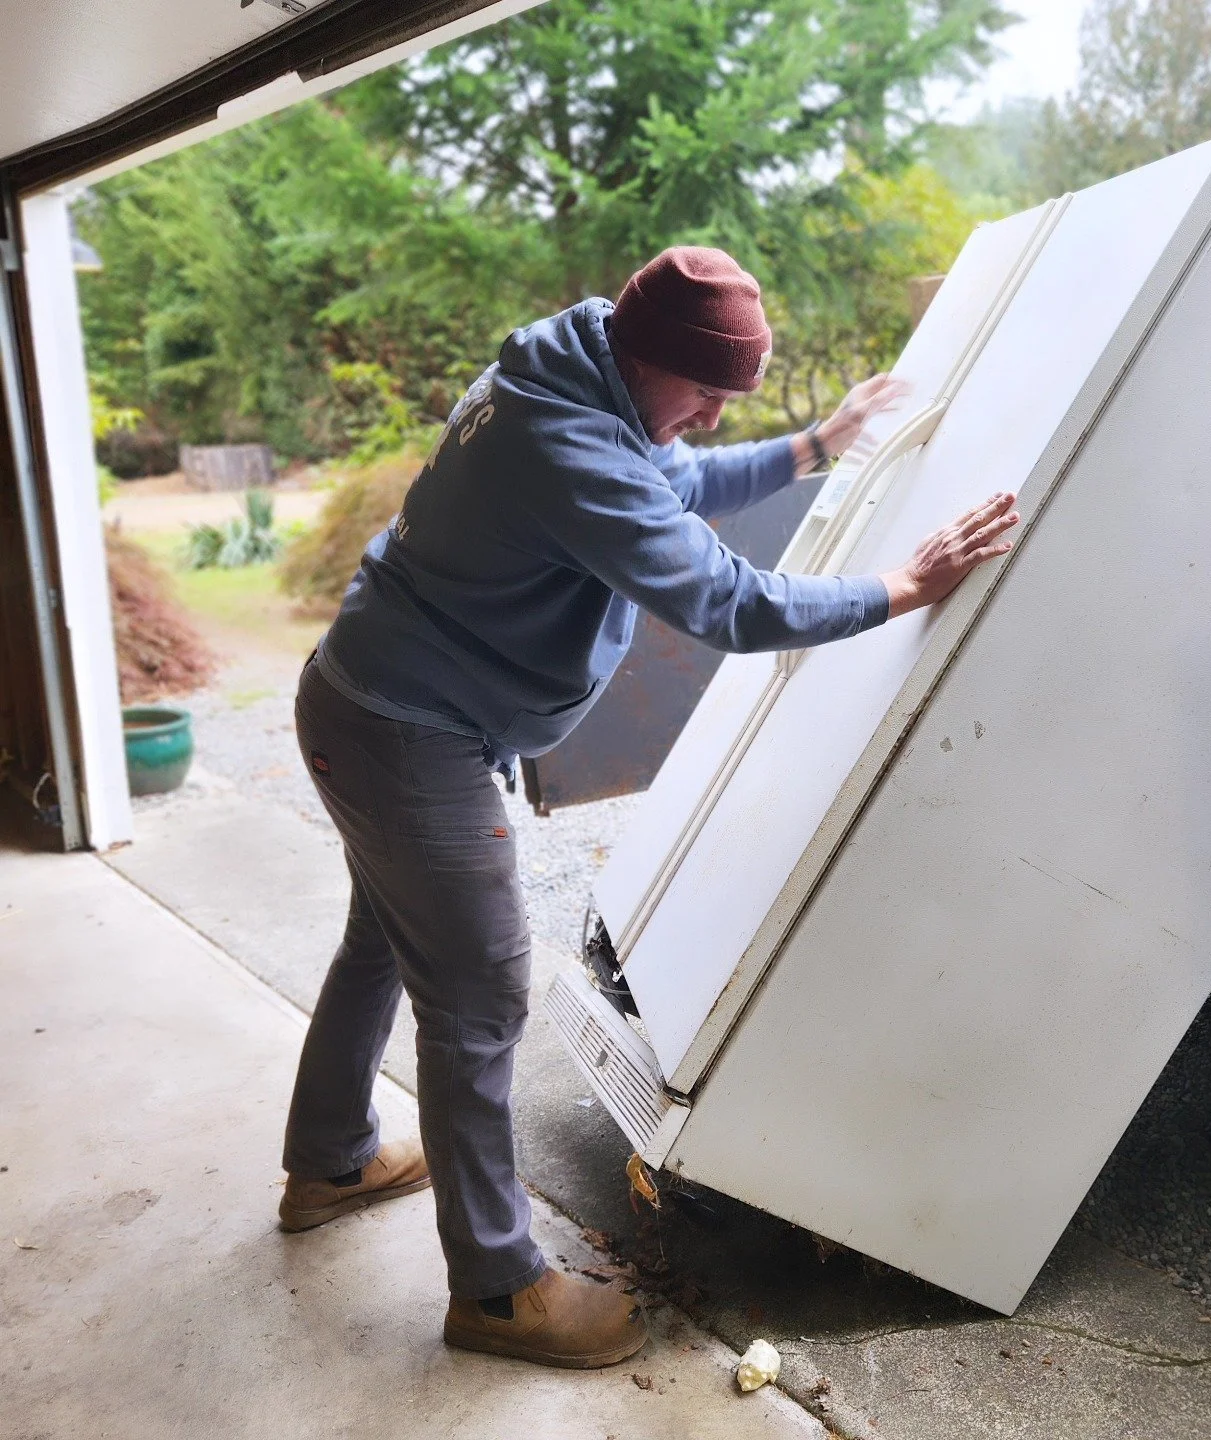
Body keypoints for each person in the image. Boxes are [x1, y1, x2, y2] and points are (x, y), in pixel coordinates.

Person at [276, 246, 1019, 1369]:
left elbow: (673, 479)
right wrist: (901, 586)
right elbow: (725, 598)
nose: (718, 418)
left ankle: (329, 1162)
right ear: (649, 355)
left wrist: (817, 447)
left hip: (367, 702)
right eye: (712, 392)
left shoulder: (579, 369)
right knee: (478, 995)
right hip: (404, 733)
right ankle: (496, 1290)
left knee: (379, 945)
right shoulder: (564, 440)